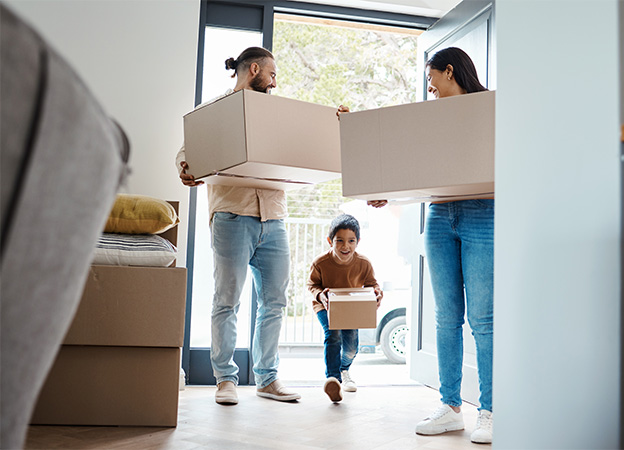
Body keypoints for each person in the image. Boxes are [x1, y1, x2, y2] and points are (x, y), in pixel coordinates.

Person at [345, 47, 494, 444]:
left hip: (484, 213)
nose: (430, 89)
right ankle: (450, 407)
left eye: (432, 80)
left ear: (450, 72)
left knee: (483, 319)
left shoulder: (490, 110)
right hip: (440, 216)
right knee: (447, 317)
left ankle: (490, 411)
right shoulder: (428, 121)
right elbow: (415, 168)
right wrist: (387, 194)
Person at [176, 47, 300, 405]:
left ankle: (267, 379)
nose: (276, 81)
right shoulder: (214, 112)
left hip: (274, 217)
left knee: (275, 301)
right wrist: (186, 167)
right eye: (272, 74)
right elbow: (186, 151)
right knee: (226, 300)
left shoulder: (278, 114)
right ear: (255, 70)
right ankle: (225, 379)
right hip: (231, 214)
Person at [307, 214, 383, 403]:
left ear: (358, 242)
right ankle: (333, 379)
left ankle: (343, 368)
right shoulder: (320, 262)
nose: (345, 246)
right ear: (329, 241)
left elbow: (372, 284)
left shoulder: (363, 263)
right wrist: (320, 295)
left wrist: (377, 293)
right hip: (325, 305)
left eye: (351, 241)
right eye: (339, 241)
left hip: (351, 306)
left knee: (351, 347)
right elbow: (312, 285)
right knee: (333, 335)